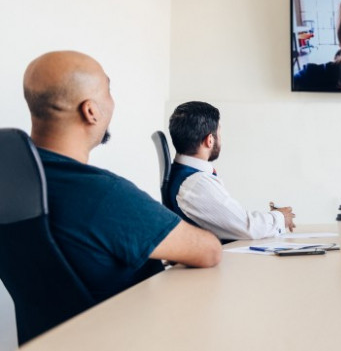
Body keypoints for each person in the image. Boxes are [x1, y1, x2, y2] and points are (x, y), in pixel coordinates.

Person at [22, 51, 221, 303]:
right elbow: (209, 251)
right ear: (90, 111)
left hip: (50, 339)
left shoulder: (13, 181)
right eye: (108, 89)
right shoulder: (101, 194)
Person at [167, 101, 296, 241]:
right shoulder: (196, 184)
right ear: (210, 140)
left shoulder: (186, 175)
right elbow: (248, 228)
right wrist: (281, 217)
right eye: (219, 134)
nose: (220, 139)